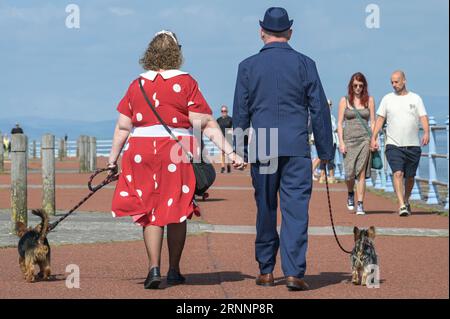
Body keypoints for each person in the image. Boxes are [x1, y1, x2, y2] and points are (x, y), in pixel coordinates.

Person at [107, 30, 244, 289]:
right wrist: (231, 152)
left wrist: (112, 160)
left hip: (141, 152)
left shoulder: (136, 85)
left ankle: (153, 268)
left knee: (150, 212)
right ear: (177, 53)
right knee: (177, 210)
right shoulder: (186, 82)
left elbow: (123, 127)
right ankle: (174, 269)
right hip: (176, 151)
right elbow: (206, 124)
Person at [233, 7, 333, 291]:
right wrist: (325, 150)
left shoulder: (247, 66)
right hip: (296, 143)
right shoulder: (306, 64)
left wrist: (239, 150)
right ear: (289, 32)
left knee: (265, 208)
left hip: (263, 143)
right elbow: (319, 109)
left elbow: (241, 112)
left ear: (261, 31)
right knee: (296, 210)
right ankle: (293, 271)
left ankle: (266, 270)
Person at [371, 70, 429, 217]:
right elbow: (379, 119)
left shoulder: (415, 99)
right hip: (393, 144)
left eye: (396, 81)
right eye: (392, 82)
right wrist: (374, 137)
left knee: (410, 177)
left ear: (404, 81)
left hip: (413, 144)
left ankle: (406, 199)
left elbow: (423, 116)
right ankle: (401, 205)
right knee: (398, 173)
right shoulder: (387, 99)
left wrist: (427, 132)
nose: (394, 85)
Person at [337, 72, 375, 215]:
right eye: (355, 85)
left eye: (360, 85)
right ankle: (350, 192)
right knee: (349, 174)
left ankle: (360, 204)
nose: (358, 88)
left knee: (361, 172)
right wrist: (341, 142)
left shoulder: (369, 100)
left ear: (364, 86)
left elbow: (373, 121)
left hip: (364, 139)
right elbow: (340, 123)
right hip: (349, 140)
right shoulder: (344, 101)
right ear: (351, 86)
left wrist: (373, 139)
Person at [319, 99, 338, 183]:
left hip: (329, 140)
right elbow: (333, 128)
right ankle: (330, 176)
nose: (329, 107)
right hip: (328, 140)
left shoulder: (330, 116)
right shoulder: (327, 116)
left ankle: (324, 176)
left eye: (330, 105)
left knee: (325, 158)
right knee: (329, 158)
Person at [216, 105, 233, 173]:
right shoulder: (218, 120)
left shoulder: (230, 119)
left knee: (228, 153)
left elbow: (233, 128)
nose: (224, 112)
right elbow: (216, 128)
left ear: (227, 111)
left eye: (225, 111)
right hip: (221, 137)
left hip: (228, 137)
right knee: (222, 152)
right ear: (221, 112)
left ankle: (228, 165)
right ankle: (222, 167)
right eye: (222, 111)